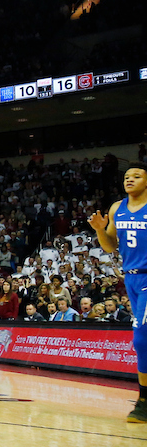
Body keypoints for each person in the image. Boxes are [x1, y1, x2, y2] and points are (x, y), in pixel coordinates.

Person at [89, 163, 147, 423]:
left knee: (142, 340)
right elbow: (110, 246)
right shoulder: (117, 208)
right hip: (131, 279)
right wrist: (101, 230)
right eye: (127, 176)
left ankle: (143, 401)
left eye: (137, 176)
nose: (130, 180)